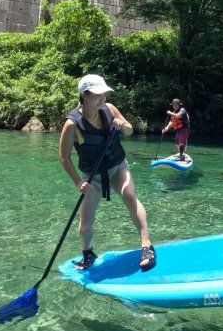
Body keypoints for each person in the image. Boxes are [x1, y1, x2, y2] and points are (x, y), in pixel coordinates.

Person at [59, 74, 156, 271]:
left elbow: (129, 130)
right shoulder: (72, 124)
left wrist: (123, 126)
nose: (102, 98)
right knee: (86, 220)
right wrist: (78, 182)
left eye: (104, 94)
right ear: (84, 95)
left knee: (129, 195)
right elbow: (64, 157)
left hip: (117, 166)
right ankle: (88, 254)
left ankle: (147, 245)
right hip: (92, 176)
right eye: (97, 95)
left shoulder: (109, 109)